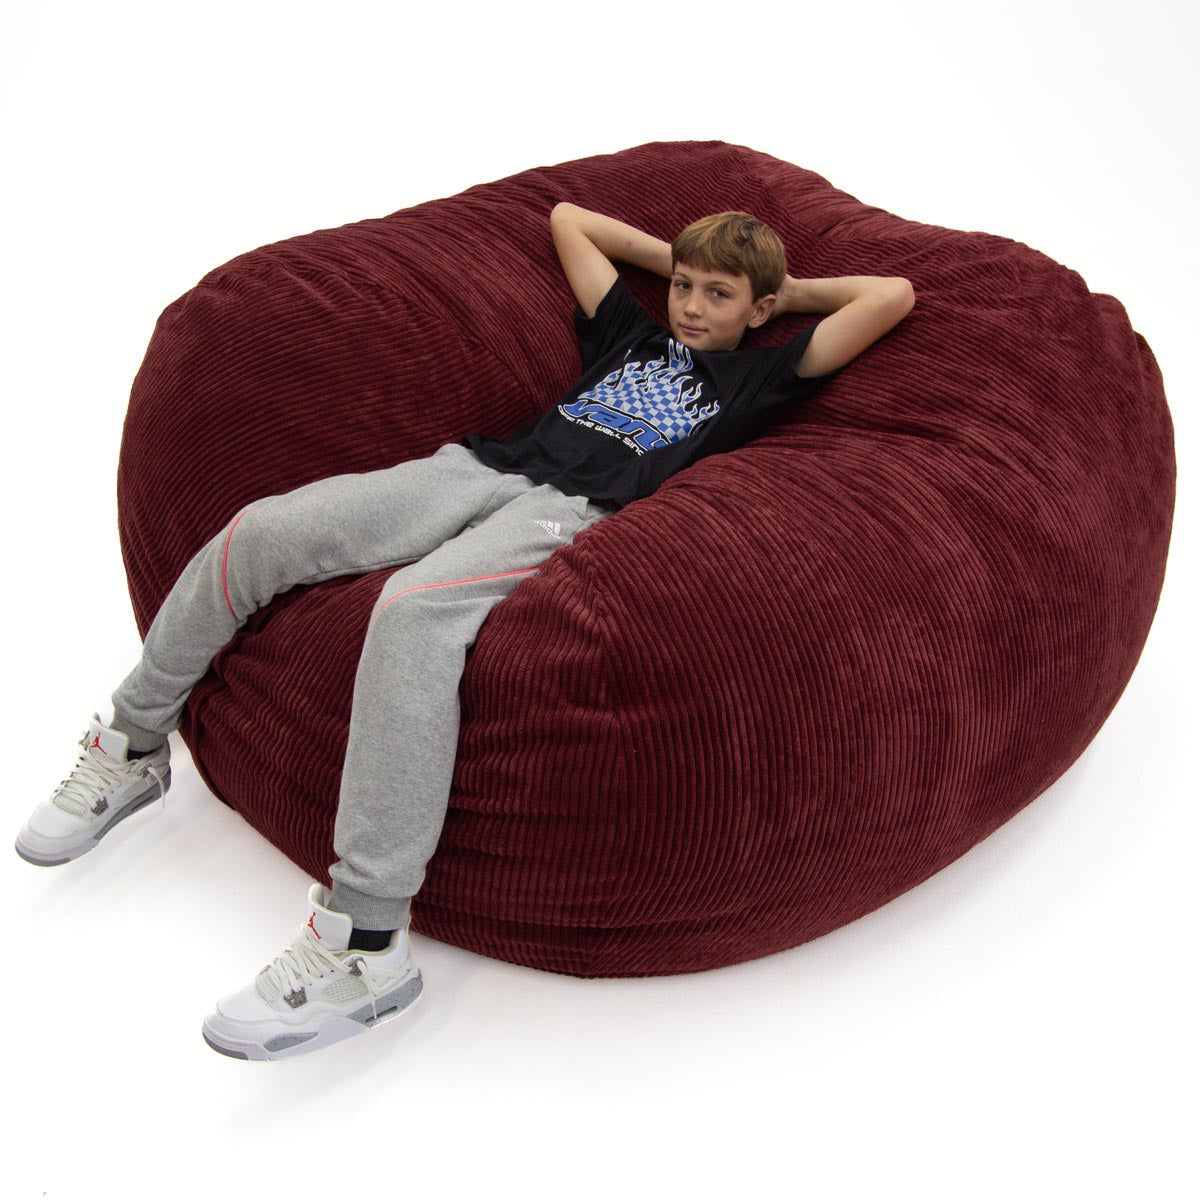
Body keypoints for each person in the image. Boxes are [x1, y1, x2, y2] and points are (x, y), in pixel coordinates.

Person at [15, 201, 915, 1060]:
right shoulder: (632, 334)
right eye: (683, 285)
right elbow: (571, 221)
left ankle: (366, 940)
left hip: (570, 509)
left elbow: (890, 297)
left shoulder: (754, 376)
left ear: (758, 310)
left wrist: (783, 296)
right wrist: (684, 264)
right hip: (481, 466)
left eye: (717, 296)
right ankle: (131, 742)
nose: (689, 306)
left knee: (411, 614)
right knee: (262, 530)